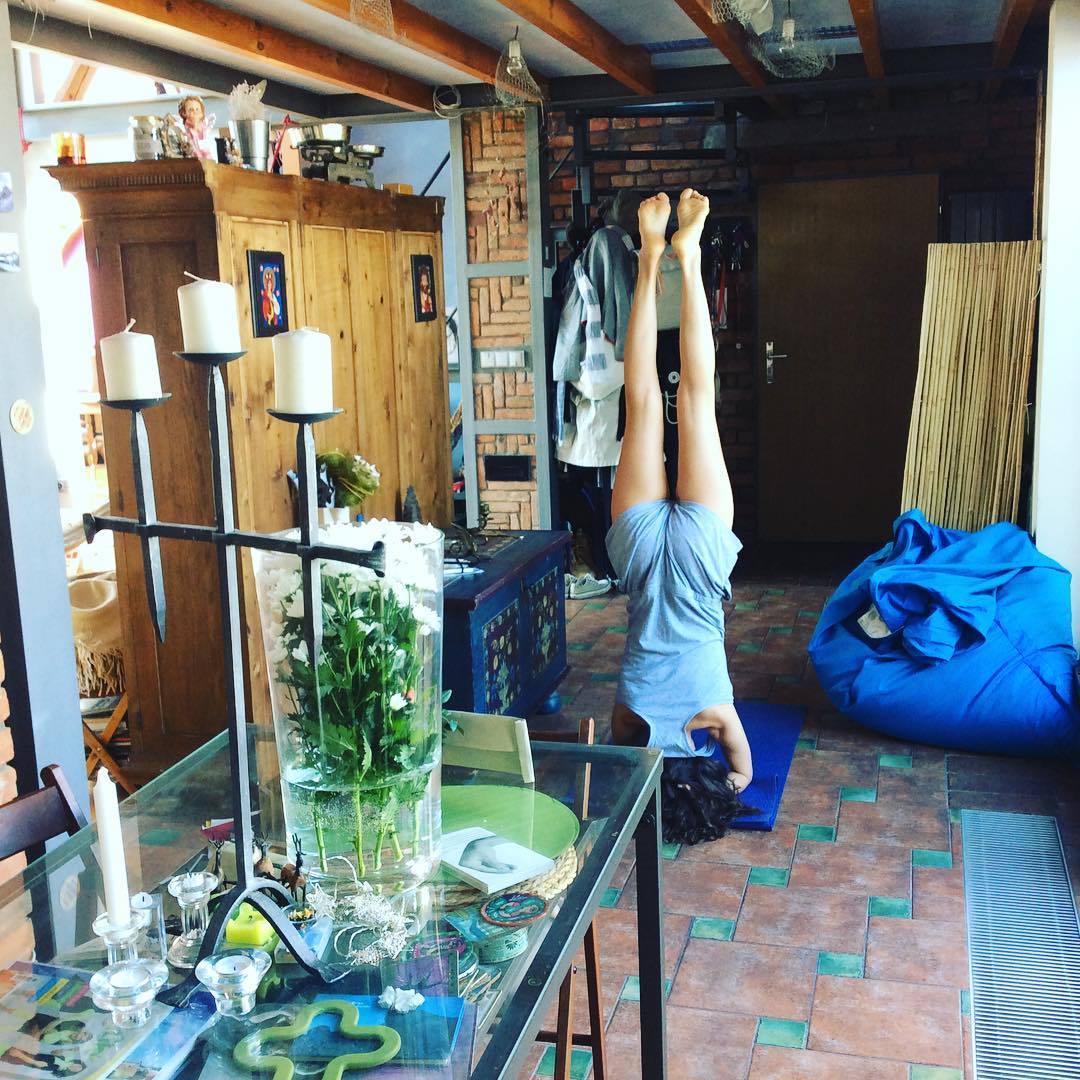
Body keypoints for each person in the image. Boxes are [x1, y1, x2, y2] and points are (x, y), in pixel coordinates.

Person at [607, 189, 753, 844]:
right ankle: (650, 256)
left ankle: (689, 256)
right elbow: (618, 753)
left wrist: (729, 785)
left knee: (697, 400)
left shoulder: (716, 718)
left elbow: (743, 773)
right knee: (641, 399)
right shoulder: (632, 723)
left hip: (700, 558)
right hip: (643, 561)